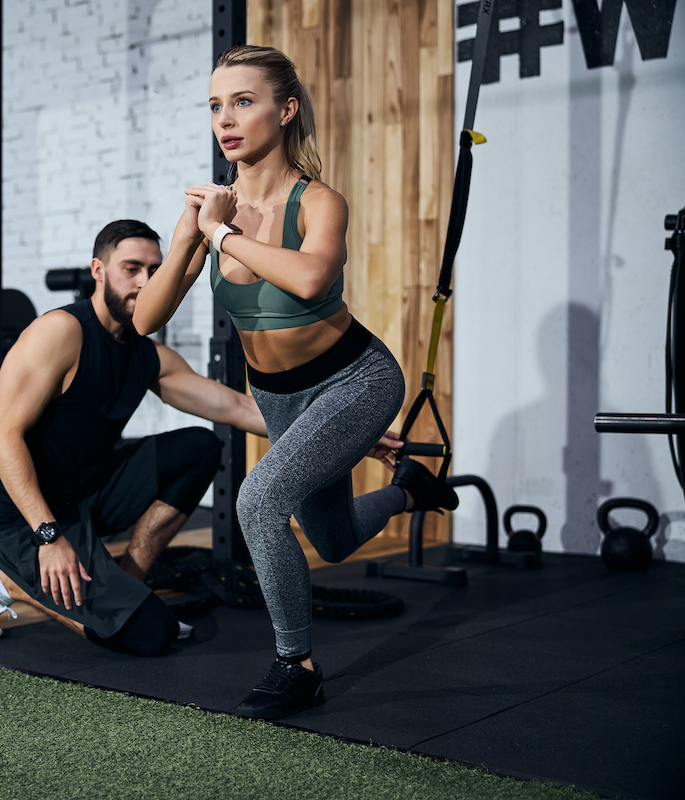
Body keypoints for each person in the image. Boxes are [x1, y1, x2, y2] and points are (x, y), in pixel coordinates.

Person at [132, 45, 459, 717]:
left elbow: (310, 277)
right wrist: (197, 233)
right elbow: (145, 317)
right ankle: (407, 494)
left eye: (243, 102)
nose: (226, 119)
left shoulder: (318, 202)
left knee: (257, 501)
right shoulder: (207, 213)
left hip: (356, 380)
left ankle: (296, 666)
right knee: (333, 540)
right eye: (216, 105)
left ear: (285, 111)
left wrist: (221, 235)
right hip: (281, 397)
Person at [0, 219, 268, 657]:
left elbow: (236, 407)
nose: (144, 283)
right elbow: (2, 439)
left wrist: (340, 432)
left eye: (155, 271)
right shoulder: (61, 333)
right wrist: (48, 537)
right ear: (98, 270)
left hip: (87, 494)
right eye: (131, 268)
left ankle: (130, 585)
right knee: (148, 635)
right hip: (21, 517)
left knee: (199, 448)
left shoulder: (147, 354)